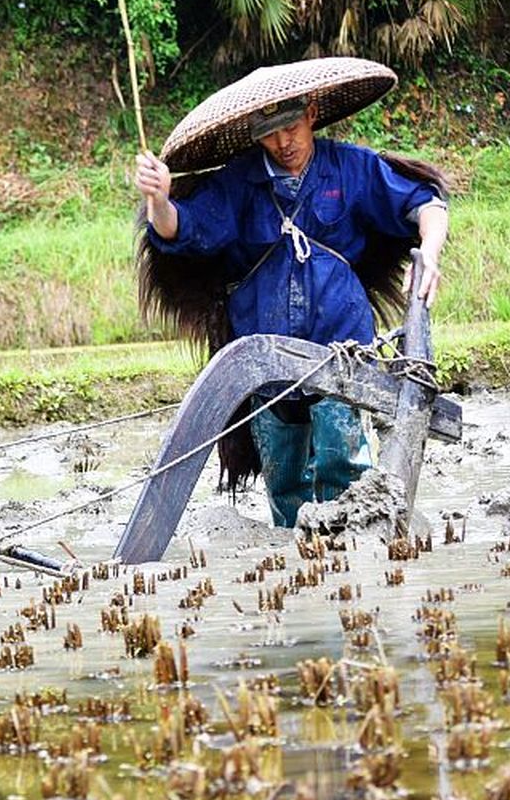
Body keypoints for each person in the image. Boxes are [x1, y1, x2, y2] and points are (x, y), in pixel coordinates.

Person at [134, 96, 449, 527]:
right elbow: (182, 228)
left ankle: (351, 556)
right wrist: (158, 200)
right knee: (285, 487)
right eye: (270, 133)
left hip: (343, 349)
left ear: (312, 115)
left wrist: (429, 252)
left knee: (347, 472)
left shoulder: (350, 168)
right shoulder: (238, 184)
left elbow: (426, 204)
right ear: (254, 136)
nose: (284, 142)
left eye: (292, 128)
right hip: (264, 361)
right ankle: (293, 560)